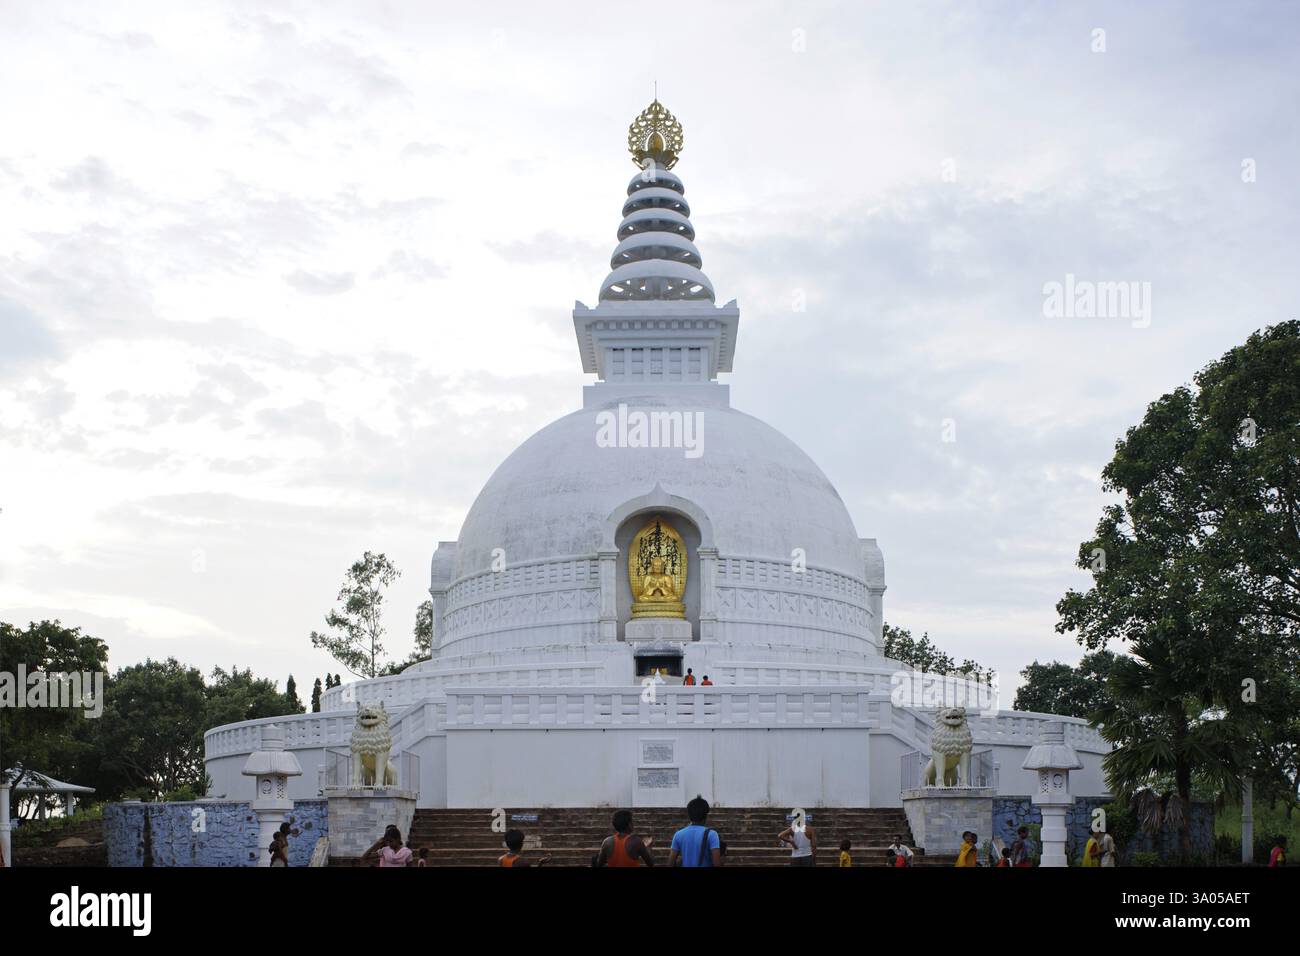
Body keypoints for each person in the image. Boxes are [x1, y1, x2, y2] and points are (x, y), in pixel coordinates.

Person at [668, 795, 721, 867]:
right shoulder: (712, 835)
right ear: (705, 815)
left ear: (689, 814)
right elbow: (717, 863)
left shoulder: (678, 834)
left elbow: (670, 863)